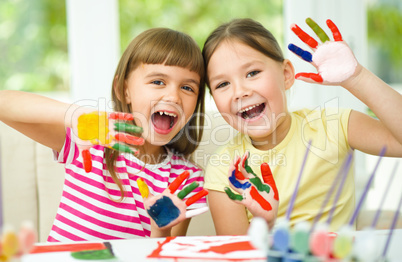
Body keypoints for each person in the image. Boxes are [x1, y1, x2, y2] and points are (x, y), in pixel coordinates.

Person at [0, 27, 208, 241]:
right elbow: (4, 103)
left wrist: (161, 229)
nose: (173, 96)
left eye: (187, 87)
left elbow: (164, 253)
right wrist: (76, 115)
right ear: (123, 90)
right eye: (158, 82)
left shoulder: (187, 178)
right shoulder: (90, 140)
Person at [202, 18, 402, 235]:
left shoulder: (332, 125)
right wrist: (265, 223)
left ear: (286, 74)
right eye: (222, 84)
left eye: (252, 73)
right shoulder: (225, 170)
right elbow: (236, 254)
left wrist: (358, 77)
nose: (240, 91)